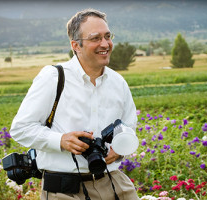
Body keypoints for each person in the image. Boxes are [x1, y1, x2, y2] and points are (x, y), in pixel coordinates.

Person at [9, 8, 139, 200]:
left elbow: (129, 127)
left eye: (108, 36)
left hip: (114, 182)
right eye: (95, 38)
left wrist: (119, 150)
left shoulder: (118, 82)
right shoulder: (53, 77)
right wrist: (60, 140)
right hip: (64, 190)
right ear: (75, 45)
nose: (105, 44)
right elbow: (20, 128)